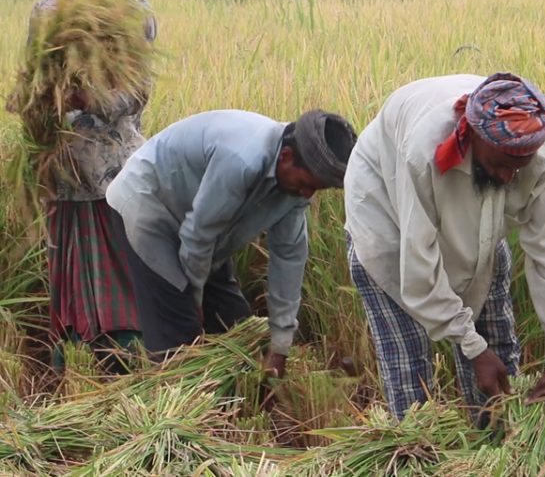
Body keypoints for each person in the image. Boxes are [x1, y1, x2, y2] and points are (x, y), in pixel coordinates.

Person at [343, 73, 545, 421]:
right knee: (411, 373)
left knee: (498, 354)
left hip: (479, 229)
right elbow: (418, 264)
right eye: (500, 163)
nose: (506, 178)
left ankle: (498, 447)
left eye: (518, 167)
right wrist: (471, 347)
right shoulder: (424, 150)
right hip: (391, 226)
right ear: (472, 135)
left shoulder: (540, 148)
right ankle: (417, 457)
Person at [106, 109, 357, 377]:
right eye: (306, 184)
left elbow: (289, 259)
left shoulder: (296, 190)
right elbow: (198, 237)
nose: (307, 194)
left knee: (236, 326)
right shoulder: (242, 159)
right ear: (286, 157)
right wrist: (193, 302)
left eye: (316, 189)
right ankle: (176, 401)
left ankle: (238, 398)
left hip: (205, 226)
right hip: (151, 207)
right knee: (180, 340)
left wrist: (280, 347)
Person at [24, 0, 157, 372]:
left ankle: (128, 368)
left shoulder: (131, 11)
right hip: (60, 171)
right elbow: (33, 80)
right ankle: (74, 367)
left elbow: (136, 93)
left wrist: (84, 96)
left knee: (123, 275)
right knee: (69, 277)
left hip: (112, 175)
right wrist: (30, 100)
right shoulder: (46, 10)